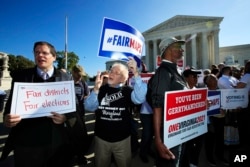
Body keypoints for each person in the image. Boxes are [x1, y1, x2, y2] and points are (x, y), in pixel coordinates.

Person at [1, 41, 73, 167]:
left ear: (54, 57)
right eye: (37, 53)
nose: (40, 55)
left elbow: (73, 108)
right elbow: (10, 106)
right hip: (26, 143)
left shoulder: (65, 78)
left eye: (44, 53)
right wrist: (7, 118)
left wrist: (65, 118)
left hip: (55, 142)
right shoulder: (21, 76)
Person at [85, 57, 147, 167]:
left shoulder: (127, 91)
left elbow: (140, 98)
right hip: (101, 139)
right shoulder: (101, 89)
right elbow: (89, 107)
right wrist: (95, 89)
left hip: (122, 140)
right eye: (111, 71)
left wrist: (136, 73)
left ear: (123, 79)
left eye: (117, 72)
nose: (112, 73)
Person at [147, 37, 187, 167]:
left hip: (179, 128)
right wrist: (158, 140)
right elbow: (157, 106)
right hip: (168, 133)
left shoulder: (175, 71)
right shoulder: (163, 72)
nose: (182, 50)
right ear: (170, 49)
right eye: (178, 47)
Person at [181, 68, 204, 167]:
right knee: (185, 148)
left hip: (197, 125)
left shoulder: (197, 91)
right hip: (185, 127)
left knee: (198, 144)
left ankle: (193, 162)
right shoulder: (180, 91)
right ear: (186, 78)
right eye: (193, 76)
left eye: (197, 76)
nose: (196, 79)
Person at [203, 74, 227, 166]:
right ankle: (210, 157)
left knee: (220, 139)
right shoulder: (204, 93)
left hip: (220, 118)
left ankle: (220, 155)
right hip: (210, 120)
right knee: (210, 140)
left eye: (216, 79)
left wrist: (225, 110)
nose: (216, 81)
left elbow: (226, 104)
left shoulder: (221, 92)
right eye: (213, 79)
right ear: (208, 82)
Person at [70, 64, 91, 165]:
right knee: (71, 135)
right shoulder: (66, 82)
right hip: (69, 115)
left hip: (80, 113)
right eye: (79, 74)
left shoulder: (82, 82)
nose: (80, 77)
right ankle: (74, 155)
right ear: (73, 72)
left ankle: (80, 155)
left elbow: (87, 93)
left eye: (82, 75)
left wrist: (86, 97)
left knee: (81, 135)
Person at [236, 60, 250, 149]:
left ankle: (244, 145)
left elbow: (239, 87)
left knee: (244, 125)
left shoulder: (247, 75)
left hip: (246, 102)